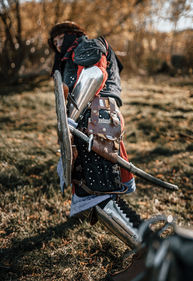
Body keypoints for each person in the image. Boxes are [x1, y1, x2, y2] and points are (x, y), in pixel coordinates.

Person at [48, 21, 141, 242]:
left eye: (61, 38)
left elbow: (94, 75)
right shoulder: (69, 54)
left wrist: (70, 120)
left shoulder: (86, 44)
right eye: (54, 42)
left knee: (100, 189)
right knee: (91, 185)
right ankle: (143, 242)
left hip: (95, 119)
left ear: (72, 34)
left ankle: (144, 246)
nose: (58, 44)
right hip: (88, 120)